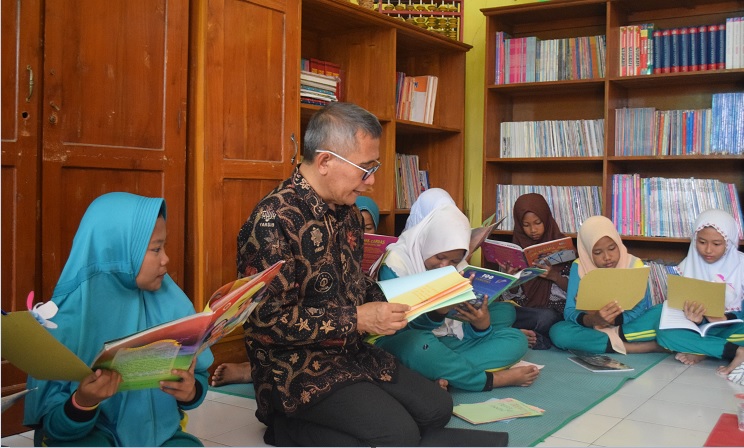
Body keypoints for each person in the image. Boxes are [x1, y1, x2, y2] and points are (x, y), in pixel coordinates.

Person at [235, 102, 507, 446]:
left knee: (438, 409)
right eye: (365, 168)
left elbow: (356, 284)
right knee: (399, 434)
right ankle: (283, 427)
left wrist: (420, 298)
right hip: (295, 367)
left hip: (350, 351)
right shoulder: (272, 222)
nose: (372, 180)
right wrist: (358, 319)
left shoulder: (346, 212)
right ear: (325, 162)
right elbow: (265, 321)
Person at [23, 192, 213, 447]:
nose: (166, 259)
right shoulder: (62, 323)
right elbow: (54, 429)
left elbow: (198, 374)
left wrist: (191, 391)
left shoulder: (172, 302)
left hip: (158, 436)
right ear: (117, 250)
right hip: (88, 436)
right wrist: (83, 401)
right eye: (156, 249)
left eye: (164, 246)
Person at [376, 202, 538, 391]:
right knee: (419, 345)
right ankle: (489, 380)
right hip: (406, 340)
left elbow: (457, 327)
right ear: (425, 243)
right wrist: (437, 313)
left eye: (454, 261)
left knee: (515, 339)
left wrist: (481, 325)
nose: (445, 266)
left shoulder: (458, 268)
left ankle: (433, 372)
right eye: (439, 257)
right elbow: (400, 330)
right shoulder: (395, 265)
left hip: (444, 343)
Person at [549, 215, 666, 355]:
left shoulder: (635, 265)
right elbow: (570, 311)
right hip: (592, 327)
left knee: (663, 312)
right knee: (559, 332)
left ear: (618, 242)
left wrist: (615, 320)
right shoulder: (579, 266)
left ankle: (606, 341)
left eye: (612, 248)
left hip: (627, 325)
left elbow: (640, 307)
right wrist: (593, 319)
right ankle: (638, 347)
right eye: (597, 252)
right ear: (586, 251)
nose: (607, 257)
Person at [655, 209, 744, 381]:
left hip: (734, 328)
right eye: (702, 242)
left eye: (717, 244)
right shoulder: (686, 266)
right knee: (665, 334)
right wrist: (694, 319)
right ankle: (736, 351)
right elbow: (677, 309)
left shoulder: (741, 266)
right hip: (697, 331)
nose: (708, 250)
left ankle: (704, 350)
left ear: (730, 243)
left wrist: (726, 317)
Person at [500, 193, 568, 349]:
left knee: (547, 318)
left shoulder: (563, 247)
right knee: (500, 313)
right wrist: (512, 280)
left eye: (538, 222)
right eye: (526, 225)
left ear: (546, 218)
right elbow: (506, 298)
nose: (533, 230)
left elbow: (576, 292)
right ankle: (533, 338)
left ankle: (521, 336)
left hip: (552, 312)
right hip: (523, 311)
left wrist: (554, 276)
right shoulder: (513, 250)